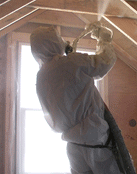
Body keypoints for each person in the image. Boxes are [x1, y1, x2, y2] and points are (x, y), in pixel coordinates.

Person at [30, 23, 123, 174]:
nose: (62, 40)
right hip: (94, 137)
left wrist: (68, 56)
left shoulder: (40, 78)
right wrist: (104, 41)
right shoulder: (72, 62)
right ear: (54, 42)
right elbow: (105, 62)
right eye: (58, 38)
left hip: (73, 145)